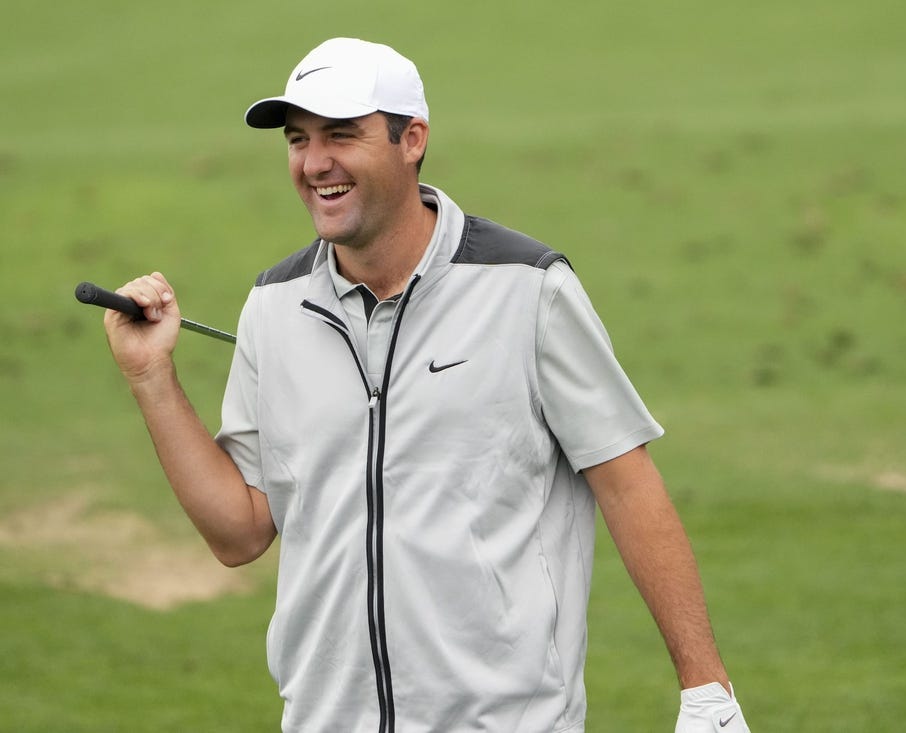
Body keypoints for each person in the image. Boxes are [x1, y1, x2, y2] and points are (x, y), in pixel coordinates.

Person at [102, 37, 750, 733]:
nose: (314, 163)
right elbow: (241, 531)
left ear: (412, 139)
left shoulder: (527, 289)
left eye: (341, 136)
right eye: (298, 140)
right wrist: (152, 377)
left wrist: (705, 687)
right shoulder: (274, 306)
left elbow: (627, 481)